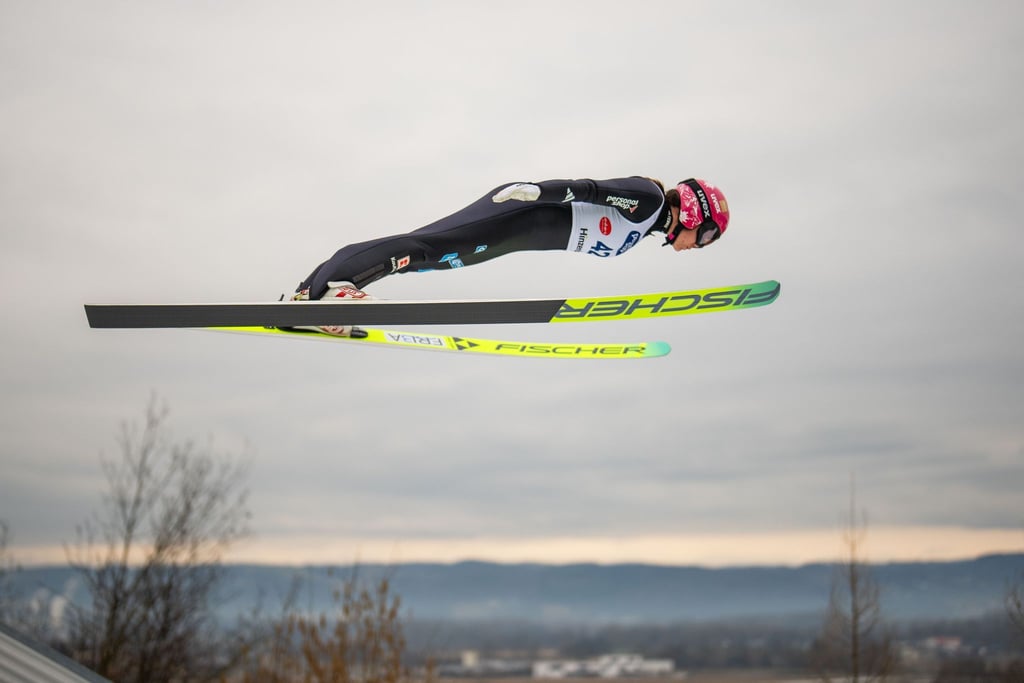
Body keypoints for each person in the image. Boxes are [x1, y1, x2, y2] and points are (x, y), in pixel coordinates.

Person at [291, 176, 730, 336]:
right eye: (707, 234)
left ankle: (307, 298)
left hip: (511, 237)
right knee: (423, 247)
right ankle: (334, 290)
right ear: (695, 212)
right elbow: (591, 189)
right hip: (519, 212)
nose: (701, 244)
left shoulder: (647, 225)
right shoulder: (649, 199)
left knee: (423, 256)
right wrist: (538, 191)